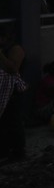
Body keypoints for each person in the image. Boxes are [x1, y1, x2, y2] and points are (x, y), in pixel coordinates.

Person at [0, 24, 27, 163]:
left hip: (13, 92)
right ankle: (4, 151)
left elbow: (13, 68)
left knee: (13, 121)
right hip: (2, 91)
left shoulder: (16, 49)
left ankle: (18, 151)